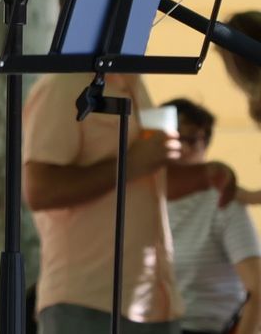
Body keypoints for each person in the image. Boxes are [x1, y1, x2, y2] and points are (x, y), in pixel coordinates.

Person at [23, 73, 182, 334]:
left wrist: (205, 176)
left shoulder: (134, 81)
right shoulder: (63, 85)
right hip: (87, 305)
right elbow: (40, 190)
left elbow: (143, 186)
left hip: (155, 304)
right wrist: (130, 164)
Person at [165, 98, 260, 334]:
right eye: (174, 137)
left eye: (192, 139)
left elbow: (258, 289)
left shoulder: (223, 203)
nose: (182, 148)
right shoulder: (139, 201)